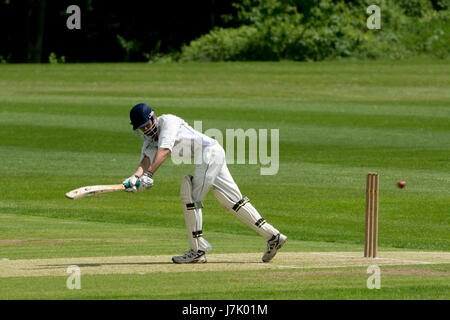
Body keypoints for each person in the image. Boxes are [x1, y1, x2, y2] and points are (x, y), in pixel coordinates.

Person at [123, 103, 287, 264]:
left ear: (153, 118)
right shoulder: (150, 137)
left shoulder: (168, 122)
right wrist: (135, 178)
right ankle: (274, 237)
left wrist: (149, 175)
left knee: (190, 197)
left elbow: (164, 150)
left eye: (146, 125)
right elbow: (146, 159)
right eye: (141, 128)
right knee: (232, 201)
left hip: (208, 154)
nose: (145, 129)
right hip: (211, 155)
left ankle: (197, 251)